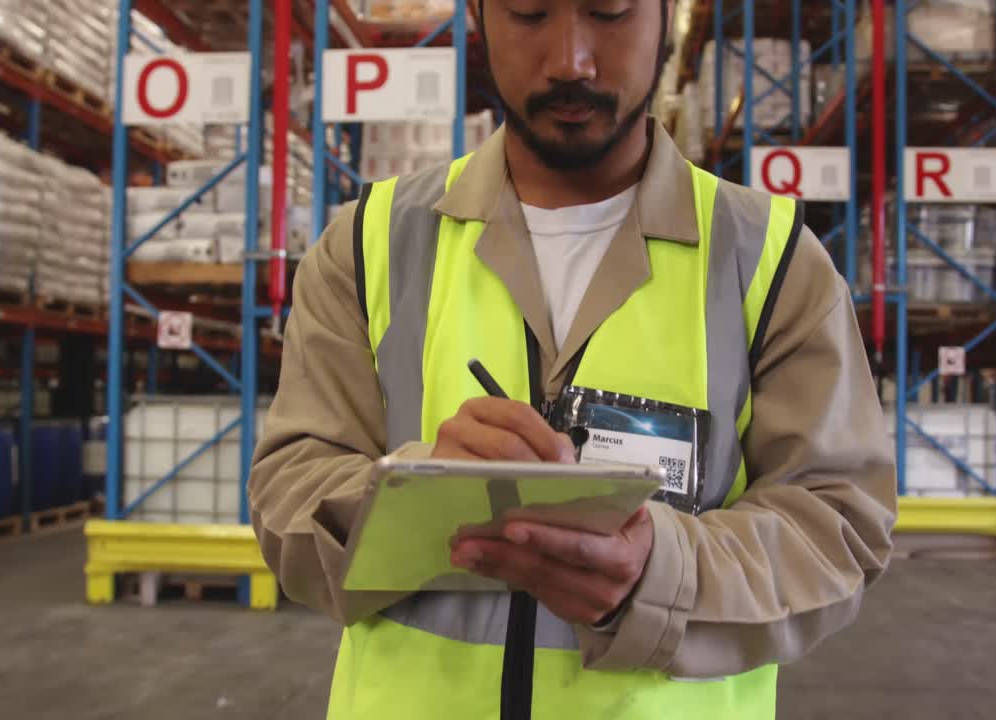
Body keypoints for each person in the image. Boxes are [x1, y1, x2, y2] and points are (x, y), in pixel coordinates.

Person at [249, 0, 897, 717]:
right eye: (529, 13)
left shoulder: (771, 262)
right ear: (479, 17)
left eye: (609, 11)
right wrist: (414, 497)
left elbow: (838, 525)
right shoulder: (370, 245)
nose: (570, 60)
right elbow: (289, 493)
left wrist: (661, 576)